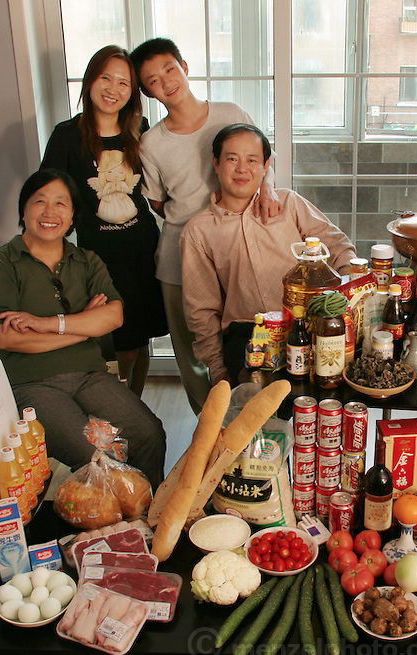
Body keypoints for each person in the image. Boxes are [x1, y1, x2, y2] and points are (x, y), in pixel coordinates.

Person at [0, 169, 166, 487]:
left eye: (61, 203)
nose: (50, 212)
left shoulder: (87, 260)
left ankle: (149, 518)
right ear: (24, 210)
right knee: (94, 453)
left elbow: (114, 317)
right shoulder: (1, 263)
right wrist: (84, 328)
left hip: (90, 378)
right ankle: (107, 530)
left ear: (72, 216)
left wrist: (44, 324)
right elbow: (4, 336)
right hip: (31, 385)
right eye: (39, 201)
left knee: (149, 433)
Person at [130, 38, 281, 412]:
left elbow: (263, 159)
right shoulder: (151, 143)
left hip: (237, 252)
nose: (165, 82)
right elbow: (156, 201)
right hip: (178, 260)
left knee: (246, 343)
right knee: (194, 355)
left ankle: (256, 423)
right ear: (145, 91)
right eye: (151, 80)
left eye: (168, 69)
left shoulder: (229, 111)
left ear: (184, 65)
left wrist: (268, 190)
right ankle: (210, 427)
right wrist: (196, 225)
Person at [181, 123, 356, 386]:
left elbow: (340, 249)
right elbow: (201, 310)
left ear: (265, 166)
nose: (242, 168)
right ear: (216, 164)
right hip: (247, 337)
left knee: (315, 413)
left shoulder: (289, 204)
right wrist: (217, 367)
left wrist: (345, 303)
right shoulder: (198, 231)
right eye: (232, 159)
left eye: (252, 160)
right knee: (253, 421)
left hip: (310, 329)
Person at [40, 45, 167, 397]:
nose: (113, 89)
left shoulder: (140, 129)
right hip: (99, 257)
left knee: (140, 339)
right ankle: (120, 409)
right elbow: (50, 197)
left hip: (143, 247)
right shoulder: (67, 135)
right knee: (117, 341)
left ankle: (135, 406)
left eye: (124, 83)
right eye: (105, 78)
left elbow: (159, 183)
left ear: (133, 92)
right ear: (90, 80)